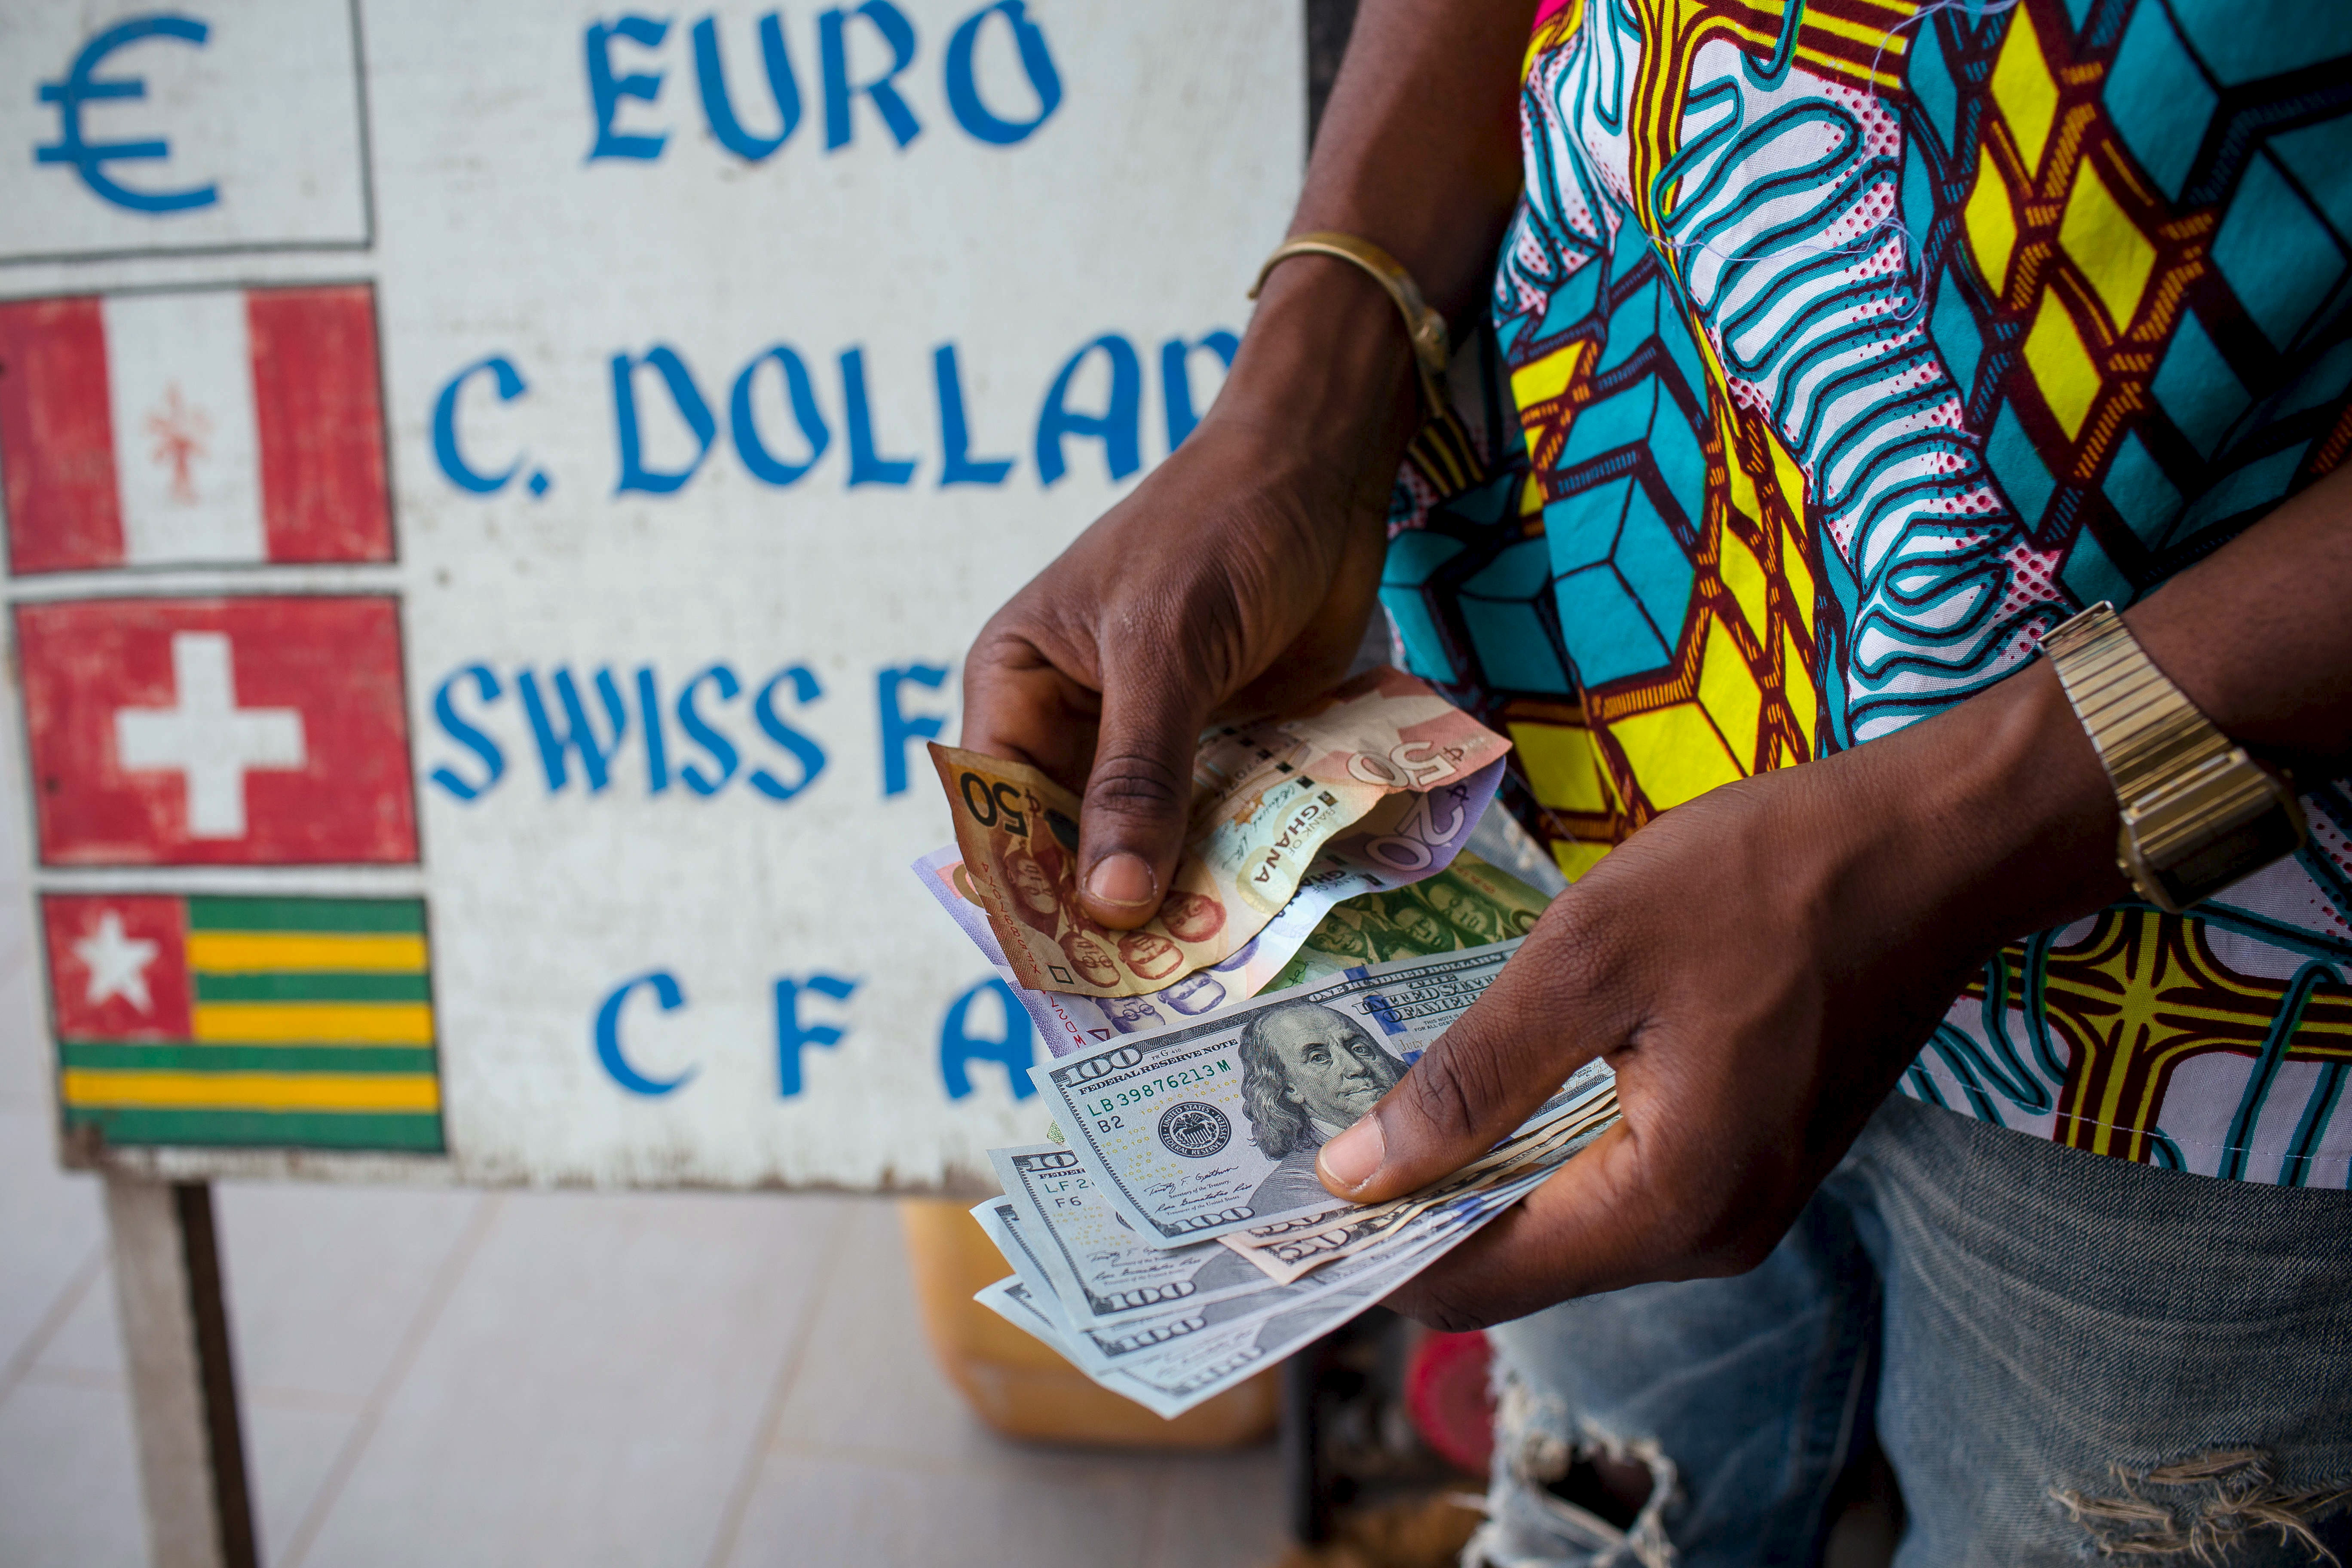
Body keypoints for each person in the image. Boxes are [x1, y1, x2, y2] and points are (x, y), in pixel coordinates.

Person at [957, 0, 2352, 1560]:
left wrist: (1974, 815)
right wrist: (1310, 374)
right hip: (1584, 748)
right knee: (1595, 1515)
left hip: (2216, 1019)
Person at [1236, 1000, 1410, 1217]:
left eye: (1360, 1049)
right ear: (1289, 1088)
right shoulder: (1294, 1191)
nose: (1357, 1067)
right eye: (1319, 1058)